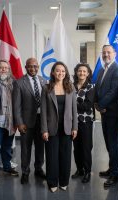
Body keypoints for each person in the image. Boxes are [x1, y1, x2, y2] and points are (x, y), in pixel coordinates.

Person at [40, 61, 78, 193]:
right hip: (51, 128)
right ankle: (52, 182)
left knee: (65, 156)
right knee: (51, 156)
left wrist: (75, 127)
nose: (60, 73)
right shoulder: (46, 88)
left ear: (66, 72)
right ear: (52, 72)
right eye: (57, 70)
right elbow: (43, 111)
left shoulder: (71, 87)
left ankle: (63, 181)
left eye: (63, 71)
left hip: (67, 128)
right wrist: (44, 129)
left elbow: (74, 110)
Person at [94, 45, 118, 187]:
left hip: (113, 113)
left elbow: (113, 92)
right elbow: (98, 89)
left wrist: (100, 105)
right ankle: (112, 168)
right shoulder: (102, 70)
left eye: (109, 52)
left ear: (115, 54)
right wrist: (96, 103)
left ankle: (114, 175)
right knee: (108, 142)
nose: (106, 54)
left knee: (112, 144)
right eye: (104, 52)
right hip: (104, 113)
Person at [13, 58, 46, 184]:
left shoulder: (43, 80)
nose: (33, 69)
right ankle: (25, 172)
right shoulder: (19, 82)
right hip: (26, 122)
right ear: (26, 67)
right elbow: (16, 106)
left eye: (35, 66)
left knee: (40, 147)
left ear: (38, 67)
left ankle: (39, 169)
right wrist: (19, 123)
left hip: (41, 120)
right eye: (30, 66)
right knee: (25, 148)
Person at [71, 63, 95, 183]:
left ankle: (87, 172)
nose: (82, 73)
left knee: (86, 147)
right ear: (76, 72)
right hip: (73, 122)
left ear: (88, 73)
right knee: (76, 147)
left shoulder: (90, 87)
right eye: (80, 71)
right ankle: (79, 169)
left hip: (86, 122)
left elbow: (87, 105)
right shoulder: (71, 86)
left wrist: (73, 105)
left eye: (84, 71)